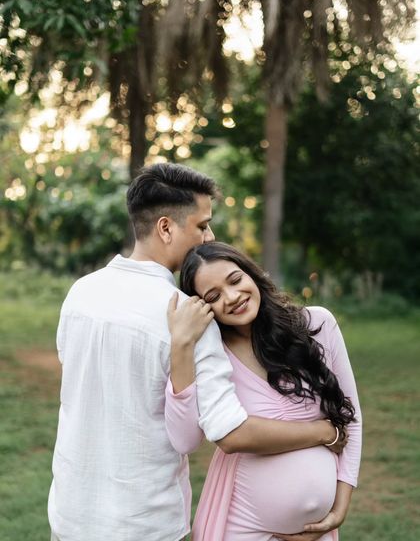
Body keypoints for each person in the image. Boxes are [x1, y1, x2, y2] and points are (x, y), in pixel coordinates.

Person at [48, 163, 344, 541]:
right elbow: (214, 432)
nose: (210, 235)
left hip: (70, 515)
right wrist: (323, 432)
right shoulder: (189, 316)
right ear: (166, 228)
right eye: (202, 225)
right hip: (144, 523)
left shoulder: (81, 293)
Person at [166, 241, 362, 541]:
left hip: (317, 530)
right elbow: (184, 438)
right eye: (214, 296)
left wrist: (339, 507)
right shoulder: (212, 355)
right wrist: (181, 344)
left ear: (251, 274)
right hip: (239, 521)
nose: (232, 298)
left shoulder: (318, 325)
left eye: (235, 280)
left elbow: (351, 418)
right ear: (203, 307)